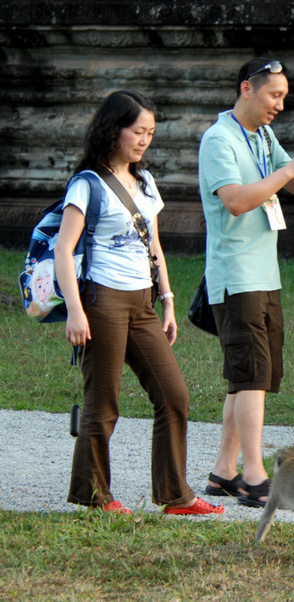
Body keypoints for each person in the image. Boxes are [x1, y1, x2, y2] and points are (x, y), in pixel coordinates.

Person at [57, 90, 223, 515]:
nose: (145, 139)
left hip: (142, 302)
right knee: (103, 401)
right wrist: (75, 310)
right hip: (102, 301)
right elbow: (64, 250)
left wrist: (167, 301)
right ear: (114, 129)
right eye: (138, 131)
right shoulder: (87, 184)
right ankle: (94, 496)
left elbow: (155, 247)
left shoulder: (145, 182)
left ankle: (175, 495)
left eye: (150, 132)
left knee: (174, 395)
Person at [199, 58, 294, 508]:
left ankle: (223, 471)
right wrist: (289, 170)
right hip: (235, 276)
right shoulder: (219, 139)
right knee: (251, 376)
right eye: (275, 95)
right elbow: (236, 201)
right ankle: (255, 476)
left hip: (262, 274)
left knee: (247, 379)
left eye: (284, 98)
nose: (280, 104)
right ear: (246, 89)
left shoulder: (262, 136)